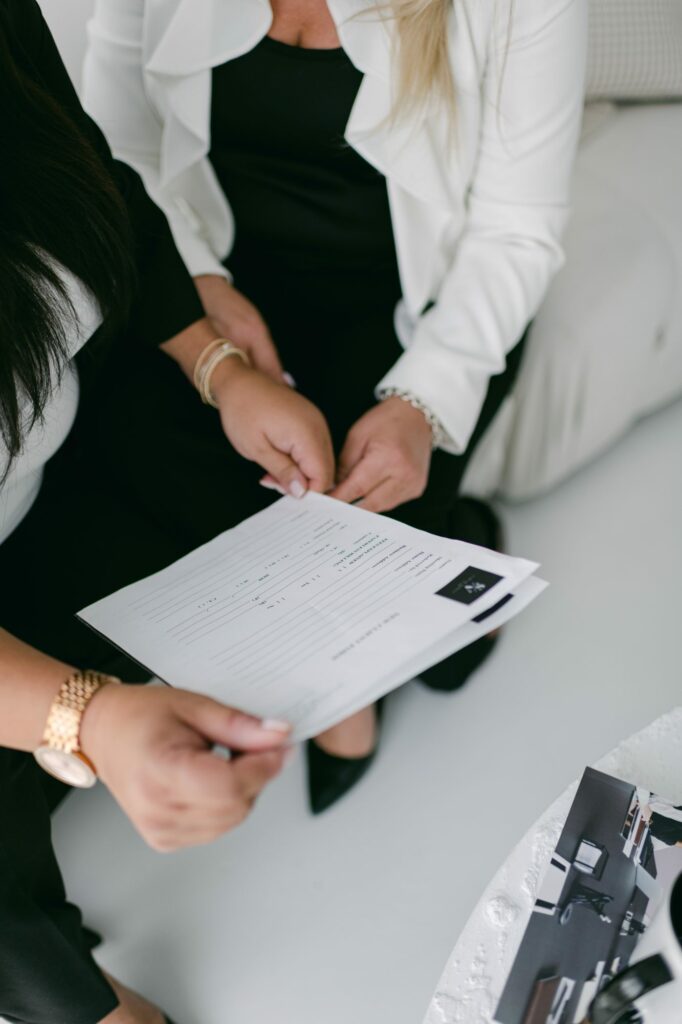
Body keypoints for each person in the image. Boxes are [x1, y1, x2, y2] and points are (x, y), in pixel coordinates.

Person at [82, 0, 588, 811]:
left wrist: (421, 402)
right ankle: (403, 614)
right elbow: (119, 141)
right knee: (139, 451)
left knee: (359, 535)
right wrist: (200, 285)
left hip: (427, 314)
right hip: (223, 283)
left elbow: (515, 231)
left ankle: (413, 603)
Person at [0, 0, 337, 1019]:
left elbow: (88, 176)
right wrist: (86, 715)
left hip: (57, 478)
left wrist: (218, 365)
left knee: (285, 503)